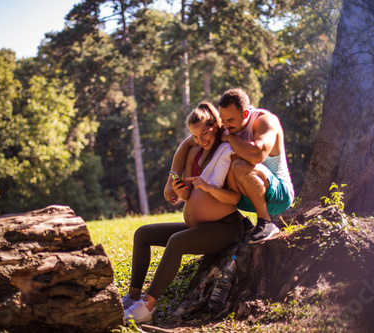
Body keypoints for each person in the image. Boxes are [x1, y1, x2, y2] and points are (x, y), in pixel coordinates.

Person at [123, 102, 243, 323]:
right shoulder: (195, 153)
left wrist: (209, 188)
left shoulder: (227, 153)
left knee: (176, 242)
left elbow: (234, 198)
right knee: (142, 234)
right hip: (197, 226)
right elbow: (189, 195)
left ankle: (146, 307)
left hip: (225, 226)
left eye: (205, 133)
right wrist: (181, 190)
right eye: (196, 137)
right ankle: (132, 297)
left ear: (215, 127)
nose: (201, 140)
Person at [164, 88, 294, 244]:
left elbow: (257, 155)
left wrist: (231, 139)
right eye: (222, 119)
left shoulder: (264, 121)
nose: (224, 125)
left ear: (245, 114)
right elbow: (186, 145)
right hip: (248, 195)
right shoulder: (228, 123)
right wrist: (170, 182)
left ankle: (265, 222)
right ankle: (241, 223)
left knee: (238, 163)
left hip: (278, 196)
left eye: (230, 121)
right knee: (221, 159)